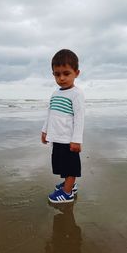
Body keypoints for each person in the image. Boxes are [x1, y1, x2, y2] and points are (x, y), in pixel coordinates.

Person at [41, 49, 85, 203]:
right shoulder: (55, 93)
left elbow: (79, 118)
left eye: (66, 73)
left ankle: (67, 193)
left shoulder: (76, 94)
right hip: (57, 138)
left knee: (71, 166)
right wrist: (44, 130)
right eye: (57, 74)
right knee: (62, 164)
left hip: (69, 139)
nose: (61, 78)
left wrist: (76, 140)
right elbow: (50, 113)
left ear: (76, 73)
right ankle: (69, 185)